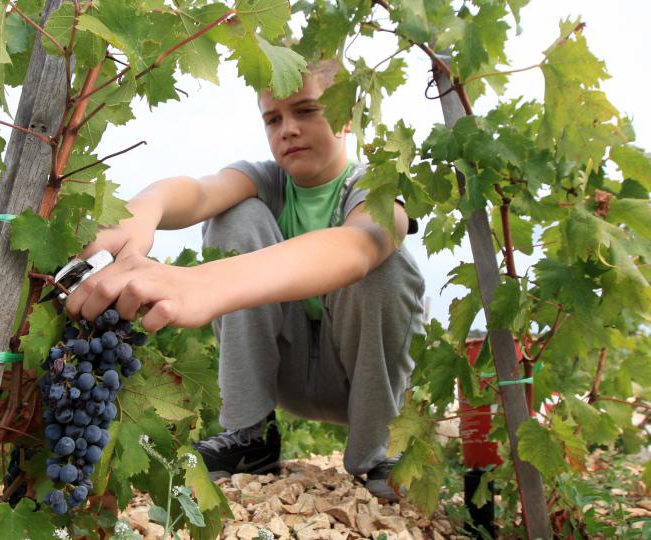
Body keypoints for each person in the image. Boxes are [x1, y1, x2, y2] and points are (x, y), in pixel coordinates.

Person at [64, 60, 426, 501]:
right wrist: (143, 211)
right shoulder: (268, 182)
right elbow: (199, 192)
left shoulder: (377, 184)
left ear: (347, 115)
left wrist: (204, 284)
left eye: (306, 110)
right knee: (233, 215)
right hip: (285, 374)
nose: (287, 129)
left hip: (361, 384)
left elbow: (357, 248)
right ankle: (250, 435)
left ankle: (375, 453)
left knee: (385, 263)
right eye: (273, 119)